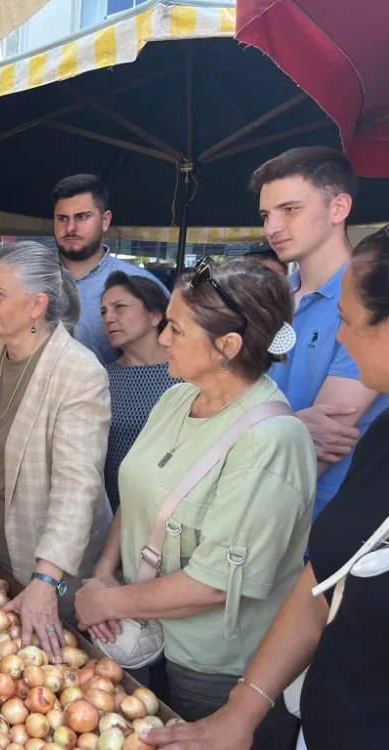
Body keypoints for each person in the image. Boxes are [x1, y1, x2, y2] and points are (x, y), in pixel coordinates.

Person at [145, 227, 389, 750]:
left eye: (346, 322)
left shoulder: (271, 438)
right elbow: (320, 583)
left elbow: (218, 582)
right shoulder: (382, 440)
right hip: (324, 723)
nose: (338, 339)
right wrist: (242, 709)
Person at [76, 259, 314, 748]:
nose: (162, 339)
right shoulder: (176, 397)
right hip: (143, 628)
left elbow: (212, 585)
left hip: (212, 666)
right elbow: (140, 492)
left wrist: (108, 600)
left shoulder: (270, 440)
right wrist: (103, 569)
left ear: (227, 347)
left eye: (176, 330)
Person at [0, 241, 113, 647]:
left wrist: (46, 580)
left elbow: (77, 489)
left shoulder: (78, 372)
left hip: (49, 569)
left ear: (37, 306)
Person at [251, 147, 389, 521]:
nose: (272, 227)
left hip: (320, 521)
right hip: (249, 509)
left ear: (338, 208)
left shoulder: (370, 299)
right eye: (266, 214)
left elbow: (325, 441)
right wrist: (290, 426)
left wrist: (248, 429)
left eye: (290, 209)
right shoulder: (273, 299)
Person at [53, 174, 169, 365]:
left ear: (105, 221)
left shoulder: (137, 282)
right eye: (62, 218)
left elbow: (177, 348)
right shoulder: (33, 278)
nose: (70, 227)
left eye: (82, 217)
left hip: (122, 391)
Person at [101, 271, 180, 512]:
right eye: (104, 311)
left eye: (119, 307)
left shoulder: (183, 375)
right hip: (108, 508)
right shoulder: (100, 378)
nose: (108, 318)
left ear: (155, 315)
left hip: (165, 509)